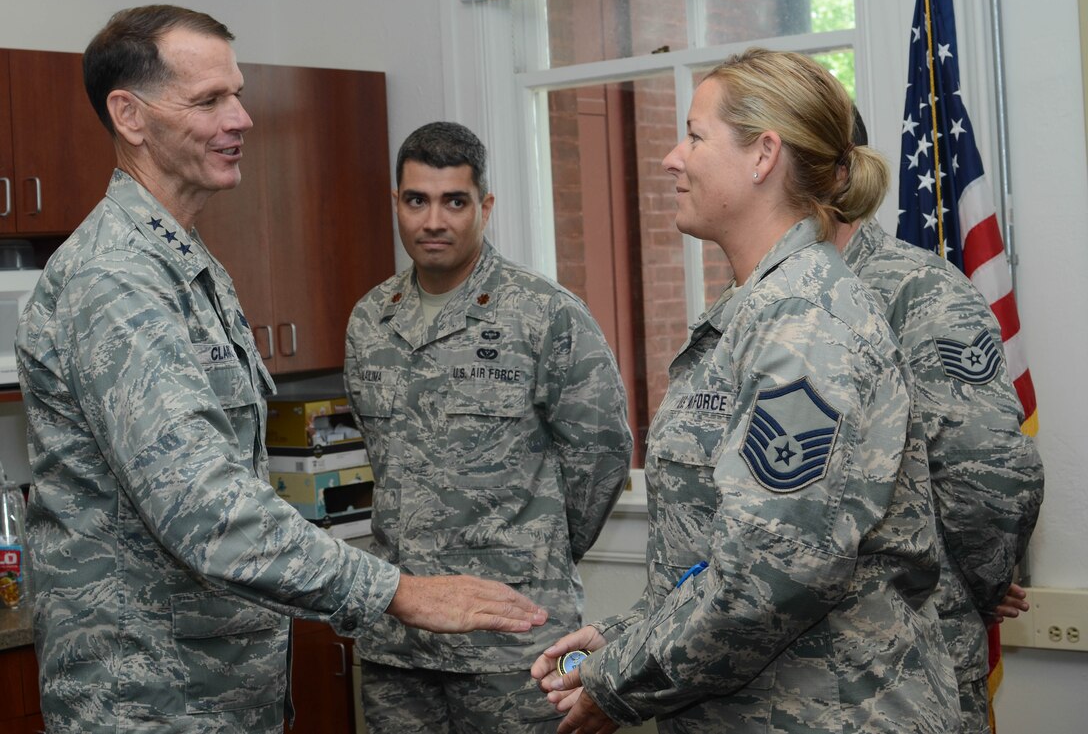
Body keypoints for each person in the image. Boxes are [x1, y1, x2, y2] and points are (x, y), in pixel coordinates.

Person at [16, 5, 546, 734]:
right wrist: (397, 591)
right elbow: (206, 510)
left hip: (216, 693)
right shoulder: (115, 279)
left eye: (237, 93)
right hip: (151, 702)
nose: (242, 119)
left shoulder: (185, 262)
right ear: (129, 116)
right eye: (209, 101)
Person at [530, 47, 959, 733]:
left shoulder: (805, 323)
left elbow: (769, 572)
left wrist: (618, 682)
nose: (673, 157)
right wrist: (624, 635)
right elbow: (716, 550)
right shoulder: (761, 308)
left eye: (696, 135)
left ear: (763, 156)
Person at [343, 120, 633, 733]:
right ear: (396, 203)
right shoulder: (370, 320)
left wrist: (535, 554)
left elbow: (601, 457)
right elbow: (388, 461)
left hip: (514, 640)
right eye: (416, 200)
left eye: (455, 201)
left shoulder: (543, 313)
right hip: (400, 640)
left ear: (486, 206)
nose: (433, 221)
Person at [832, 109, 1044, 733]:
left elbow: (991, 477)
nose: (676, 159)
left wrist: (976, 584)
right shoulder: (749, 302)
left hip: (908, 669)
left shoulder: (916, 290)